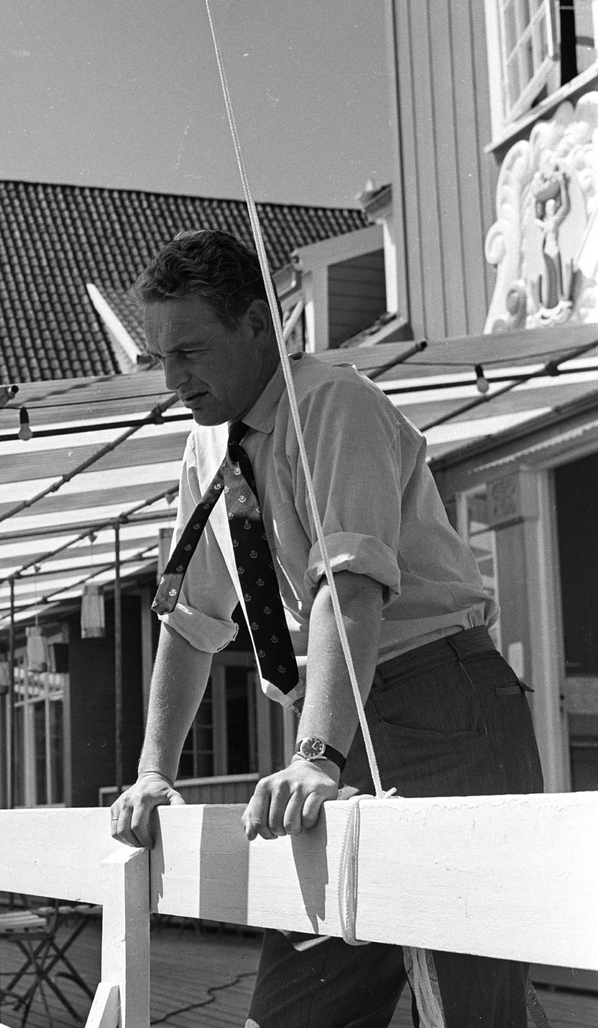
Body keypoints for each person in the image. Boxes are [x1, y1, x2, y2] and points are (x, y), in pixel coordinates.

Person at [109, 230, 544, 1027]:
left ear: (255, 323)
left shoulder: (330, 404)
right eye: (161, 358)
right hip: (336, 718)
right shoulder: (206, 446)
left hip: (438, 703)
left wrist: (315, 754)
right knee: (293, 1013)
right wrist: (152, 772)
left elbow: (351, 585)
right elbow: (190, 618)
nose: (174, 380)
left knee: (474, 1010)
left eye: (192, 352)